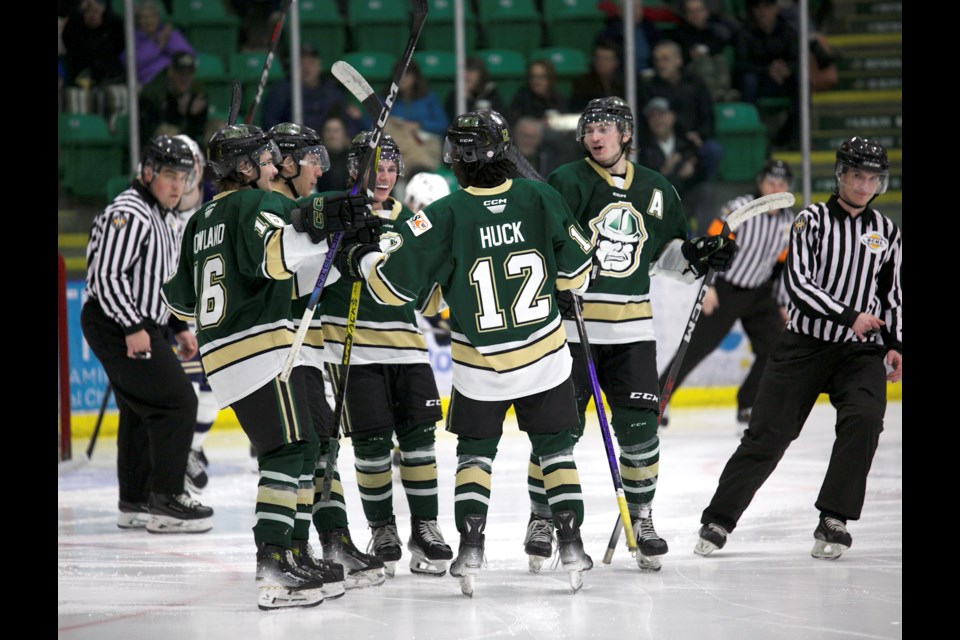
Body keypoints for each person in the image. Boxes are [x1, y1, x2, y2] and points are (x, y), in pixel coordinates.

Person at [336, 109, 596, 596]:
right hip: (544, 358)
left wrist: (364, 256)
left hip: (480, 367)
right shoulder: (541, 196)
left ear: (455, 158)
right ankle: (572, 544)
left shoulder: (442, 214)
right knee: (557, 453)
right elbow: (580, 275)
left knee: (475, 457)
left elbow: (392, 289)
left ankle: (471, 549)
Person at [161, 123, 378, 609]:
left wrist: (325, 230)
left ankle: (292, 553)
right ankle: (274, 560)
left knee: (298, 448)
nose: (270, 165)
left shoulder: (199, 220)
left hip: (224, 356)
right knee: (287, 452)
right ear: (242, 166)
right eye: (261, 158)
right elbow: (276, 256)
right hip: (260, 346)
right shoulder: (253, 204)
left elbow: (179, 303)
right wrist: (326, 226)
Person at [534, 97, 738, 572]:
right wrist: (555, 285)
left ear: (625, 133)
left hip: (631, 333)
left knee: (641, 432)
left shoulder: (657, 188)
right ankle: (542, 517)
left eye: (606, 127)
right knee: (556, 431)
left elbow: (666, 255)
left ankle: (643, 517)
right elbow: (546, 244)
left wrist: (697, 255)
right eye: (589, 129)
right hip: (571, 332)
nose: (596, 135)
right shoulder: (567, 181)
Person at [694, 137, 902, 560]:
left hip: (860, 352)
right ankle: (718, 519)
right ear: (840, 175)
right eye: (857, 176)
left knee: (864, 420)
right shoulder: (810, 221)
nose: (864, 186)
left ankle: (833, 518)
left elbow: (892, 293)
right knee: (768, 437)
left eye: (872, 179)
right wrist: (849, 315)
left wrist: (896, 342)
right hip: (804, 346)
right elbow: (800, 286)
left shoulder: (887, 232)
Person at [318, 132, 453, 579]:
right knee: (373, 446)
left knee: (419, 443)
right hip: (354, 354)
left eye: (392, 169)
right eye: (376, 168)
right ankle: (382, 530)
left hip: (409, 351)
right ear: (356, 170)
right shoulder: (336, 214)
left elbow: (429, 297)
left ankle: (426, 528)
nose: (385, 176)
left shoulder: (411, 223)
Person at [266, 122, 386, 590]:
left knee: (322, 451)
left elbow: (317, 272)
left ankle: (333, 540)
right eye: (312, 158)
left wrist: (350, 244)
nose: (320, 168)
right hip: (279, 351)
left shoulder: (298, 208)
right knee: (302, 451)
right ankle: (293, 548)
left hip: (306, 348)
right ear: (288, 162)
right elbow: (284, 279)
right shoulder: (274, 210)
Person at [81, 135, 213, 534]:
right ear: (149, 172)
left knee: (141, 409)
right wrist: (133, 327)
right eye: (170, 175)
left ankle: (134, 500)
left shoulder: (162, 216)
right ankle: (167, 499)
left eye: (184, 177)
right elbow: (106, 276)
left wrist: (176, 326)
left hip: (139, 322)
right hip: (116, 323)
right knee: (177, 403)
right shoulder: (131, 212)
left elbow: (156, 281)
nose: (178, 185)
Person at [658, 159, 794, 434]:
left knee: (777, 349)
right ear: (760, 182)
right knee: (696, 347)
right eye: (771, 182)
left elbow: (781, 267)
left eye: (781, 184)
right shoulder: (739, 208)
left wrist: (779, 303)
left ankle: (747, 404)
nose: (775, 188)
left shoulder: (788, 221)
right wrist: (708, 288)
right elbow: (713, 247)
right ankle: (659, 401)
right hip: (727, 289)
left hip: (760, 293)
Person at [171, 134, 218, 494]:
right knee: (186, 391)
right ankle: (181, 454)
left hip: (206, 308)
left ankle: (192, 447)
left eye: (192, 170)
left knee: (212, 388)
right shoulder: (161, 212)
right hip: (175, 310)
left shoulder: (209, 207)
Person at [639, 40, 721, 180]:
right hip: (665, 140)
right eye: (657, 60)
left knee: (713, 149)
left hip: (695, 139)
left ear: (678, 60)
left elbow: (708, 117)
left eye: (665, 59)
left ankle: (703, 187)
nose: (660, 64)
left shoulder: (695, 83)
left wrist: (699, 135)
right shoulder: (650, 87)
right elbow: (648, 122)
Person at [261, 43, 363, 136]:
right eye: (301, 64)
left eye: (311, 63)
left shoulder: (331, 90)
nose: (307, 68)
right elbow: (270, 124)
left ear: (319, 66)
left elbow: (346, 122)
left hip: (327, 147)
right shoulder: (281, 91)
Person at [139, 52, 208, 147]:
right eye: (181, 73)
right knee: (170, 134)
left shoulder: (196, 93)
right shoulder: (153, 94)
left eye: (189, 73)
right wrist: (181, 115)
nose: (185, 78)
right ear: (171, 72)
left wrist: (191, 115)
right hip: (154, 150)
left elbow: (198, 131)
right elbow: (147, 132)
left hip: (188, 147)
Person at [124, 0, 195, 86]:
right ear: (138, 20)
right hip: (146, 83)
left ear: (158, 18)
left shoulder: (169, 34)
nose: (148, 21)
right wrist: (157, 46)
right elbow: (130, 62)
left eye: (152, 16)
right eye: (143, 17)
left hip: (172, 82)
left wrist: (166, 40)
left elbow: (186, 55)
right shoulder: (132, 38)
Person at [508, 59, 569, 125]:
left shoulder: (558, 99)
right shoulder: (521, 98)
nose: (537, 81)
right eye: (533, 77)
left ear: (550, 79)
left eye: (542, 77)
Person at [571, 39, 625, 111]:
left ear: (616, 62)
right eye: (598, 58)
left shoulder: (626, 84)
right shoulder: (583, 84)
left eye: (607, 59)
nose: (602, 63)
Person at [444, 57, 505, 121]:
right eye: (464, 71)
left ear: (481, 74)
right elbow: (452, 118)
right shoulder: (456, 92)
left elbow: (500, 116)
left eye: (471, 71)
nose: (466, 75)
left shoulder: (490, 91)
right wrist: (466, 98)